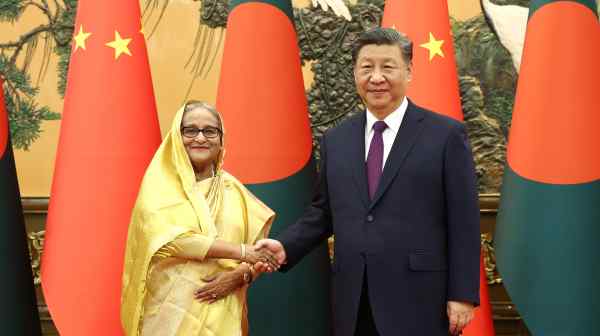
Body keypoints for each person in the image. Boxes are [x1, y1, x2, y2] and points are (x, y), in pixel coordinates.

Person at [256, 28, 480, 336]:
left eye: (388, 67)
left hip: (421, 297)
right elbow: (324, 212)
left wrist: (463, 295)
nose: (376, 77)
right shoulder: (336, 139)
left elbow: (464, 220)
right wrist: (285, 246)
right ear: (355, 73)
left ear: (409, 71)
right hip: (354, 296)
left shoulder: (445, 135)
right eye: (366, 67)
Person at [121, 101, 279, 335]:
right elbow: (171, 241)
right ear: (177, 135)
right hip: (168, 315)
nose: (201, 138)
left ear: (221, 139)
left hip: (222, 317)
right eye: (190, 130)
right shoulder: (159, 186)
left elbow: (260, 254)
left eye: (210, 131)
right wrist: (242, 252)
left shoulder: (233, 190)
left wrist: (241, 274)